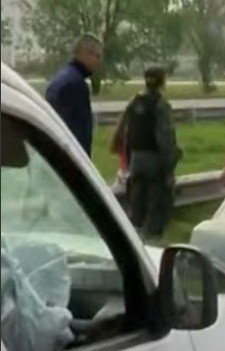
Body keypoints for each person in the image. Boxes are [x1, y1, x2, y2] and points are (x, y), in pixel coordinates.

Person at [112, 67, 181, 240]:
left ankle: (136, 240)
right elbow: (165, 139)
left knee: (137, 205)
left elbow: (126, 133)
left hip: (136, 160)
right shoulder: (161, 105)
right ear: (163, 81)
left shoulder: (135, 101)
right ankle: (152, 243)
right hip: (155, 160)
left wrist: (128, 161)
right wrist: (169, 168)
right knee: (158, 206)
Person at [45, 34, 103, 156]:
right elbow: (78, 133)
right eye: (97, 56)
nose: (99, 62)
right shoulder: (75, 84)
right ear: (86, 54)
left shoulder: (62, 78)